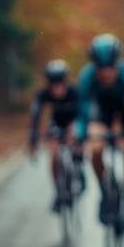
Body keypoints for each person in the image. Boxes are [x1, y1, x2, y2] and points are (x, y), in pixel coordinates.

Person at [74, 33, 124, 226]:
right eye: (101, 68)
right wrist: (81, 138)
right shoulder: (87, 76)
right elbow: (83, 112)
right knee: (95, 149)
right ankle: (104, 192)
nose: (106, 73)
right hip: (100, 115)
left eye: (110, 67)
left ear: (117, 63)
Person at [27, 59, 83, 213]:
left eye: (60, 83)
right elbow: (35, 118)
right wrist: (33, 143)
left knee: (76, 141)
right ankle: (59, 190)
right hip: (57, 124)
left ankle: (79, 170)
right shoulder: (43, 94)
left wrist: (79, 132)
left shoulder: (75, 91)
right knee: (53, 154)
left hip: (74, 122)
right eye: (53, 83)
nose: (57, 87)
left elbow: (84, 113)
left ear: (66, 81)